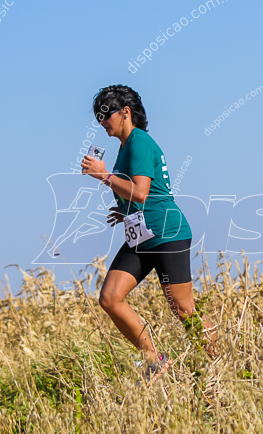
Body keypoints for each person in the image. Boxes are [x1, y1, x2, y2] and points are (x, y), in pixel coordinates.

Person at [81, 85, 215, 383]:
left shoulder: (139, 142)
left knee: (183, 310)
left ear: (125, 112)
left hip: (167, 233)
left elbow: (141, 192)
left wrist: (103, 175)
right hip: (142, 236)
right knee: (110, 298)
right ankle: (155, 358)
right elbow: (139, 194)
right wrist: (124, 209)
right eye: (98, 117)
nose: (102, 122)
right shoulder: (126, 146)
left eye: (105, 115)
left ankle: (223, 364)